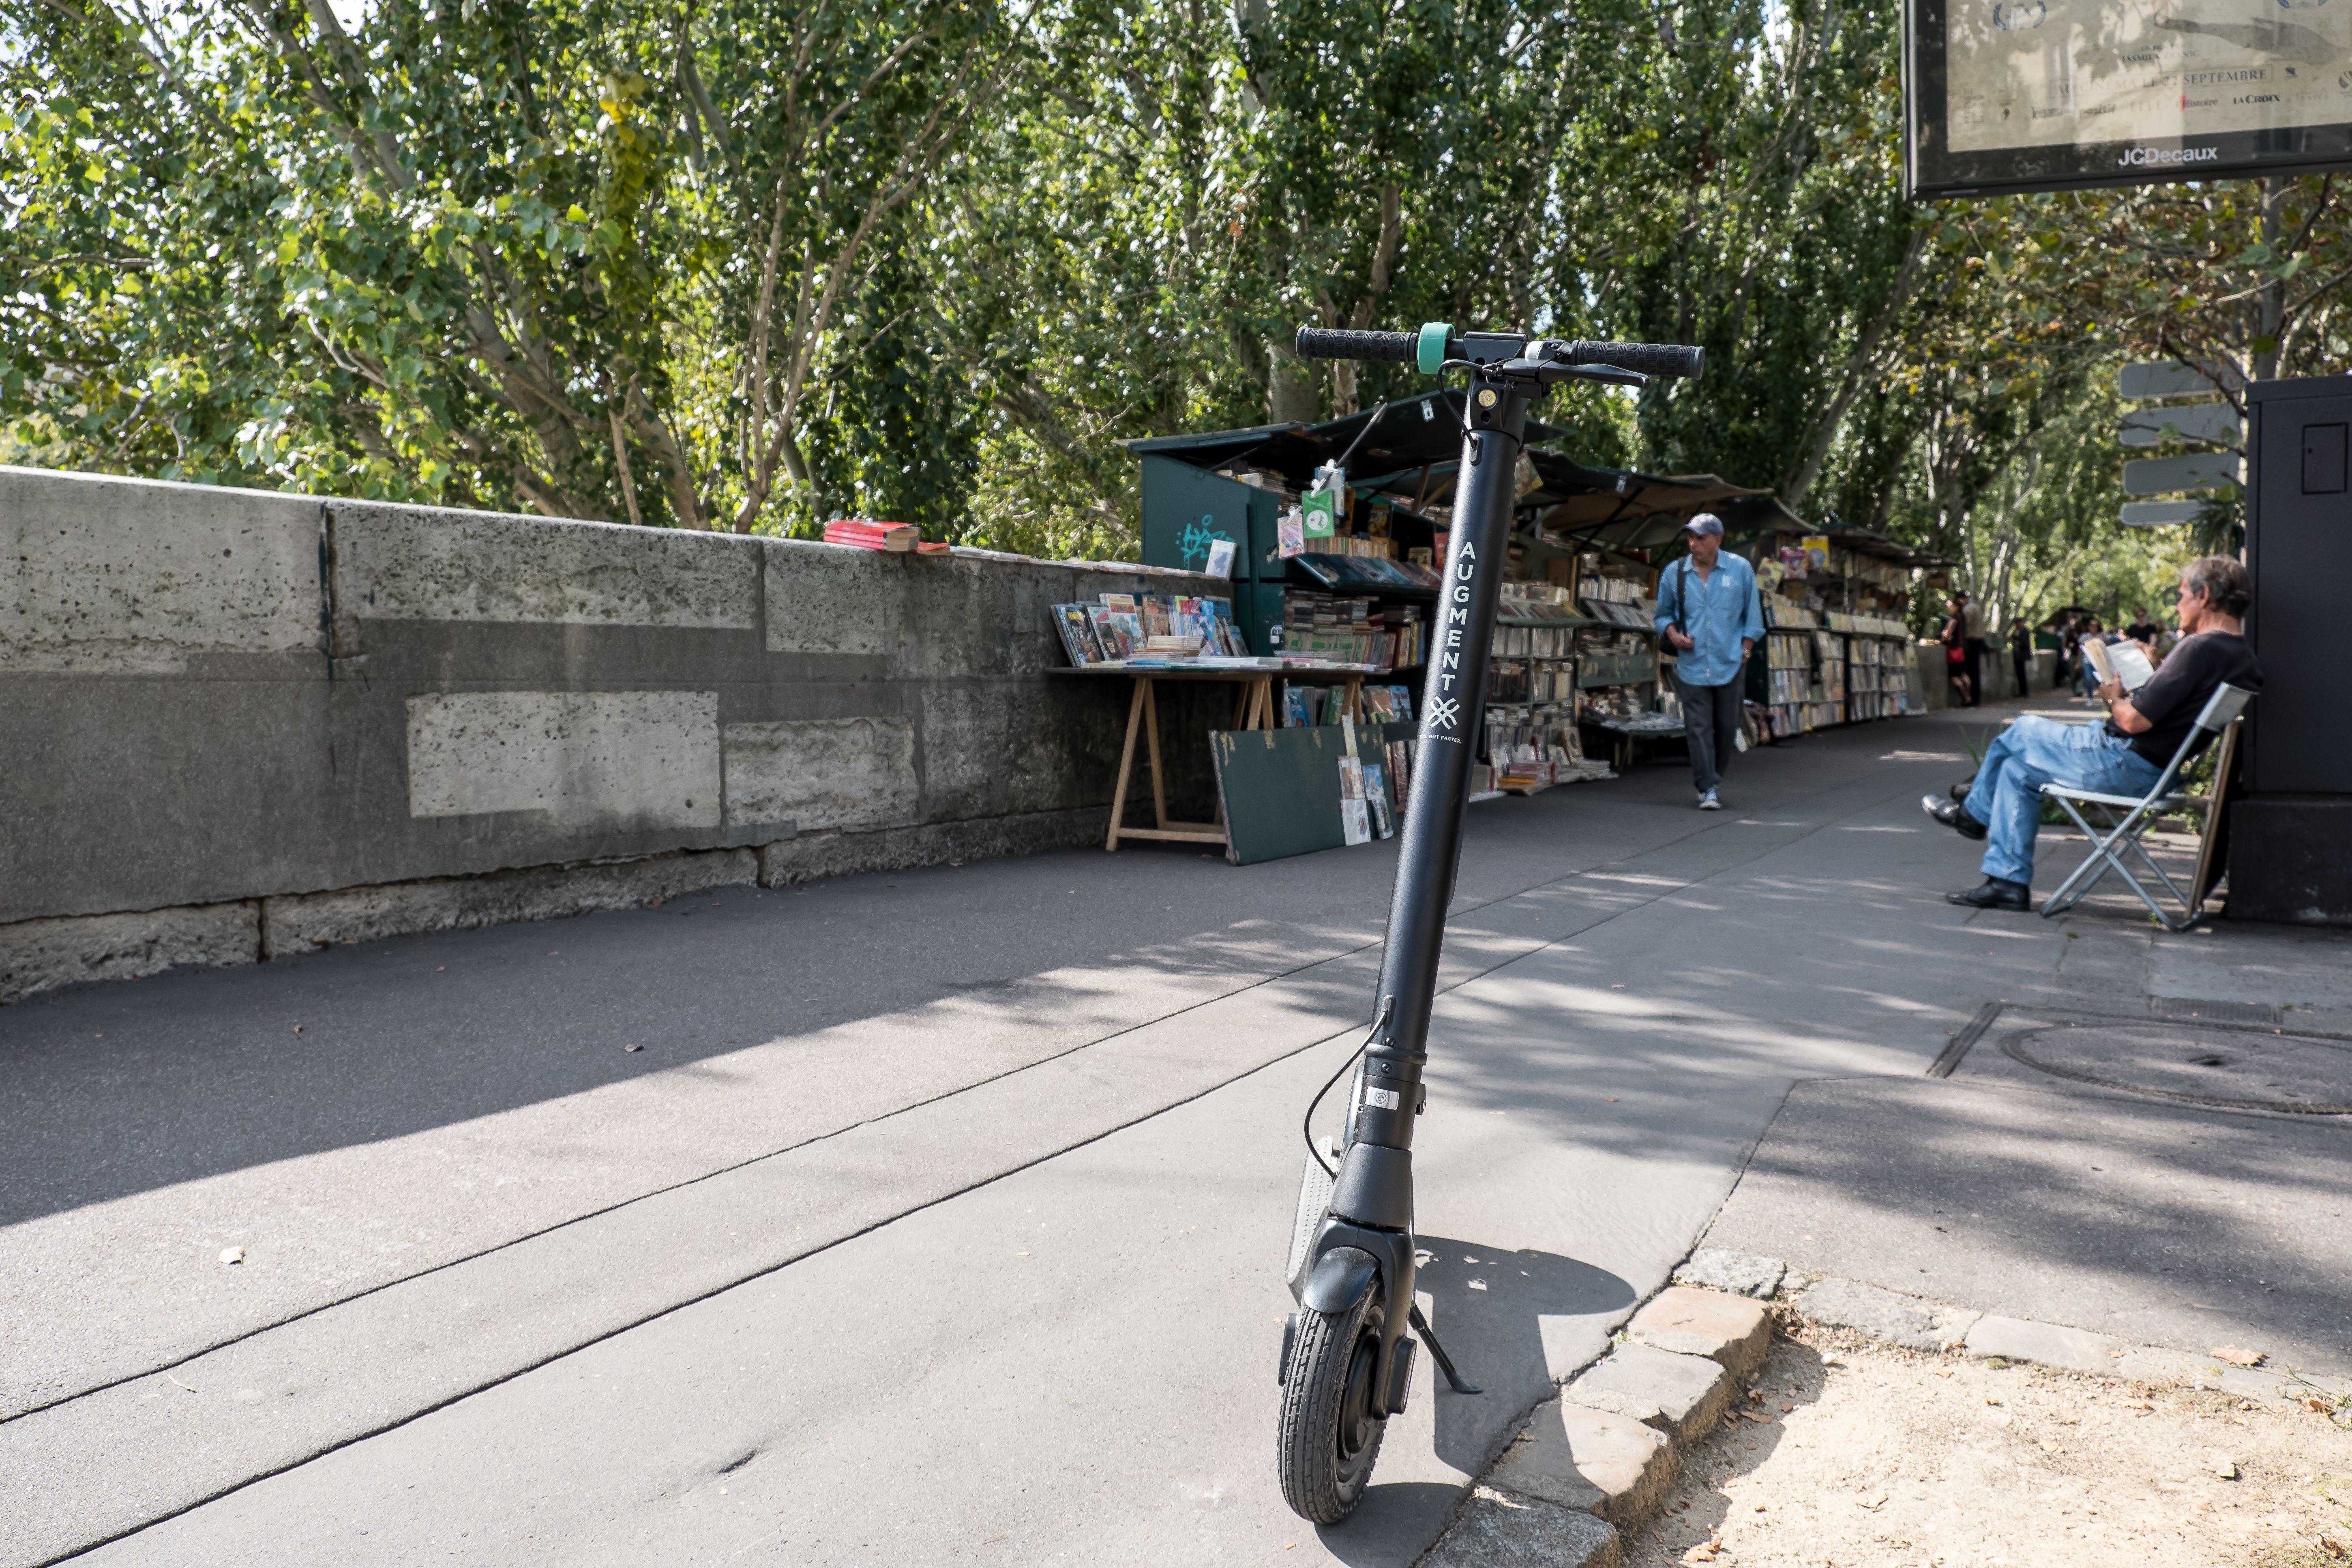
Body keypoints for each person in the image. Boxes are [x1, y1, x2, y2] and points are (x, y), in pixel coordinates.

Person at [1921, 556, 2262, 909]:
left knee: (2022, 729)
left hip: (2123, 763)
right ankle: (2006, 882)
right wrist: (2156, 670)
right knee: (2016, 772)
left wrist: (2113, 697)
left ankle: (1972, 816)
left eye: (2181, 595)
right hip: (2155, 770)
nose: (2177, 605)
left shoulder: (2199, 648)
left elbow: (2132, 722)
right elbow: (2174, 711)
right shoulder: (2241, 658)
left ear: (2203, 595)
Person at [1655, 513, 1764, 811]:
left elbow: (1753, 618)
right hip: (1692, 665)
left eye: (1701, 538)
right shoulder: (1674, 572)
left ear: (1718, 540)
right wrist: (1673, 634)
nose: (1694, 544)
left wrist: (1744, 652)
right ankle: (1707, 786)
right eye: (1690, 538)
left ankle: (1712, 779)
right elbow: (1662, 614)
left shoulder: (1740, 569)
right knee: (1697, 728)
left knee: (1726, 728)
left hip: (1730, 663)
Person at [1940, 596, 1973, 708]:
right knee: (1964, 674)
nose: (1949, 609)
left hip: (1956, 649)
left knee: (1954, 676)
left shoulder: (1954, 618)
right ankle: (1969, 696)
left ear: (1957, 607)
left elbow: (1947, 633)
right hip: (1965, 648)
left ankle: (1966, 698)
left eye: (1951, 606)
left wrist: (1941, 640)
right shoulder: (1963, 617)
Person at [1960, 591, 1988, 706]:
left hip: (1972, 642)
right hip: (1978, 642)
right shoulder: (1975, 607)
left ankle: (1973, 699)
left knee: (1971, 672)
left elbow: (1963, 623)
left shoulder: (1968, 609)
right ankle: (1975, 699)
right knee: (1974, 672)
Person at [2009, 618, 2032, 697]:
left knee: (2022, 674)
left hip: (2022, 655)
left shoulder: (2025, 631)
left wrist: (2015, 642)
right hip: (2017, 655)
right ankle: (2022, 691)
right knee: (2019, 674)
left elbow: (2024, 643)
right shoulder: (2018, 631)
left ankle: (2024, 692)